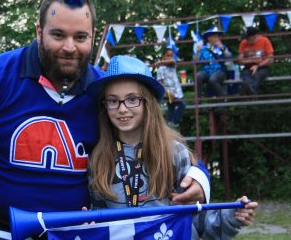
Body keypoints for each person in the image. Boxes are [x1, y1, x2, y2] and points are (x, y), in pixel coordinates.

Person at [0, 0, 209, 240]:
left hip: (68, 232)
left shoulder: (106, 91)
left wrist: (198, 175)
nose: (69, 47)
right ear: (39, 32)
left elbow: (157, 137)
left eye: (80, 37)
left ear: (92, 38)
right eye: (57, 35)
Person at [87, 55, 258, 239]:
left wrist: (232, 217)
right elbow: (99, 221)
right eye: (113, 101)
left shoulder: (175, 153)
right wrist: (88, 227)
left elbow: (198, 222)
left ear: (148, 103)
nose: (122, 108)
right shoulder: (98, 158)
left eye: (132, 99)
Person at [195, 26, 232, 99]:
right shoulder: (203, 48)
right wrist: (197, 51)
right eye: (214, 36)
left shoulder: (222, 47)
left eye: (217, 36)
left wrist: (222, 47)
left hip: (220, 71)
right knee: (198, 76)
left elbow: (229, 57)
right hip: (206, 71)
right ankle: (198, 99)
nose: (217, 38)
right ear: (209, 38)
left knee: (213, 79)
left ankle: (222, 99)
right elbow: (196, 61)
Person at [154, 47, 186, 129]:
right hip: (168, 92)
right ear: (163, 56)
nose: (170, 57)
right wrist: (168, 92)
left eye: (171, 55)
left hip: (177, 91)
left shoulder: (172, 65)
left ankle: (168, 124)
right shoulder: (160, 69)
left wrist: (160, 62)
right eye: (167, 55)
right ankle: (174, 122)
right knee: (182, 105)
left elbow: (172, 61)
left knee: (171, 108)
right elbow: (160, 84)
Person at [237, 26, 274, 95]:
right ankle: (250, 91)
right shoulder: (243, 42)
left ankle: (250, 90)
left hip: (263, 66)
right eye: (245, 38)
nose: (246, 40)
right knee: (246, 75)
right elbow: (239, 60)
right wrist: (251, 61)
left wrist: (258, 65)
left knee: (258, 75)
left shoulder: (265, 40)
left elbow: (271, 59)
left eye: (248, 38)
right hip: (248, 67)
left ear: (255, 36)